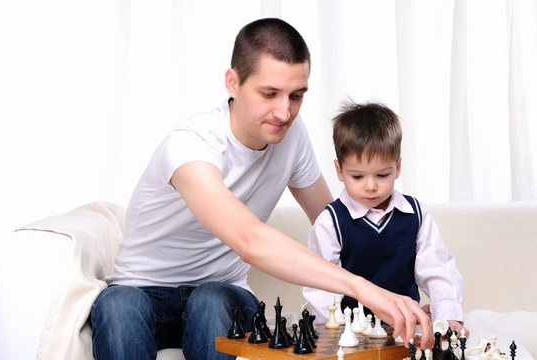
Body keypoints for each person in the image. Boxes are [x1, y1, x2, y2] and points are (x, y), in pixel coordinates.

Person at [90, 19, 433, 360]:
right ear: (233, 82)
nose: (284, 113)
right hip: (141, 293)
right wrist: (363, 289)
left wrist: (395, 297)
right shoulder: (188, 146)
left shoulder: (293, 138)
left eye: (296, 96)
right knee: (119, 302)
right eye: (269, 94)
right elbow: (249, 239)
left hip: (223, 295)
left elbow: (343, 224)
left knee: (210, 298)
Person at [302, 101, 468, 336]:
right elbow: (320, 285)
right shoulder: (330, 222)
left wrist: (447, 315)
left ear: (397, 167)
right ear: (339, 171)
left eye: (382, 174)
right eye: (357, 176)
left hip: (404, 330)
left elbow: (438, 268)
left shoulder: (416, 214)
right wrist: (332, 331)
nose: (371, 186)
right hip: (351, 334)